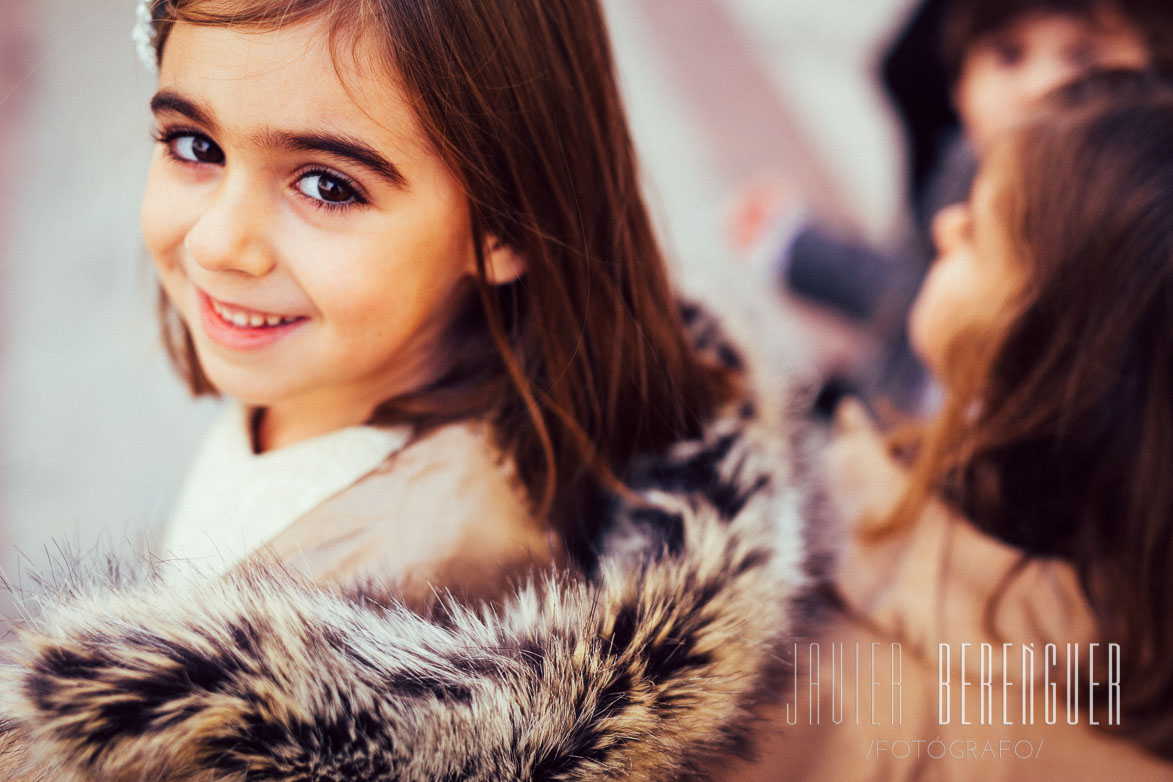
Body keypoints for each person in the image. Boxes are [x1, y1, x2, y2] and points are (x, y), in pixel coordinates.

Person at [0, 0, 816, 779]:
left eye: (326, 185)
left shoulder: (419, 578)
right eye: (194, 145)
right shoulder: (333, 373)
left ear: (505, 223)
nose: (220, 243)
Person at [727, 70, 1173, 779]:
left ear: (1042, 350)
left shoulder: (828, 634)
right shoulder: (1129, 696)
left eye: (977, 231)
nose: (944, 223)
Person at [742, 0, 1168, 415]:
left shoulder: (1113, 232)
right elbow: (913, 292)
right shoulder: (963, 165)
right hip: (895, 420)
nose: (1039, 86)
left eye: (1084, 59)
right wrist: (796, 245)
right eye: (1008, 55)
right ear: (960, 83)